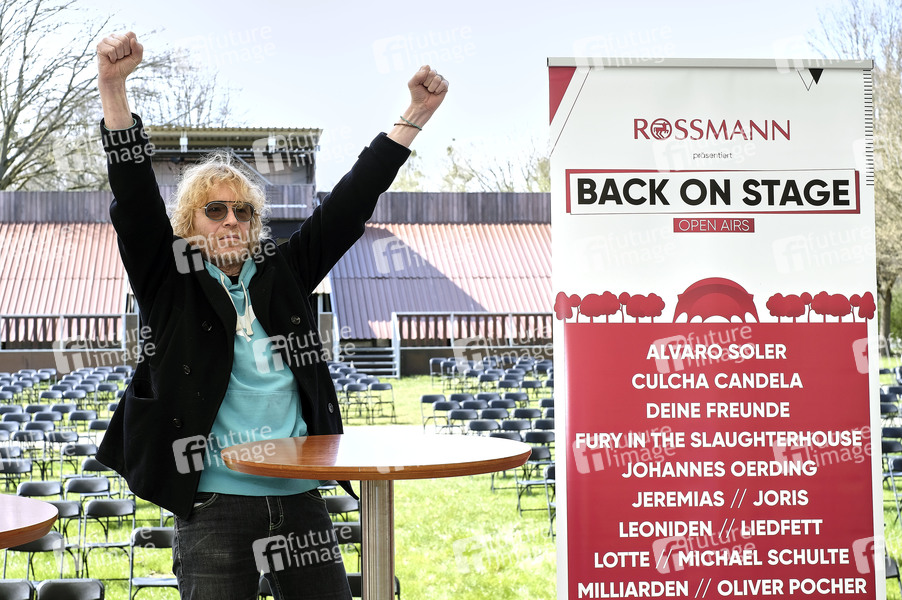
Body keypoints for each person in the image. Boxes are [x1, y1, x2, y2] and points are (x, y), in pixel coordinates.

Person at [94, 31, 447, 600]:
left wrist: (415, 115)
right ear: (189, 224)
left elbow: (350, 203)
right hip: (213, 504)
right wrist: (113, 86)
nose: (231, 220)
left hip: (299, 495)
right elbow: (133, 196)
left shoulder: (284, 273)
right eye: (215, 210)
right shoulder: (168, 277)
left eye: (243, 211)